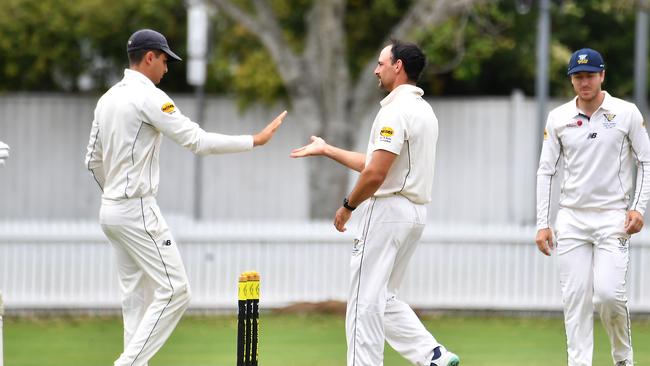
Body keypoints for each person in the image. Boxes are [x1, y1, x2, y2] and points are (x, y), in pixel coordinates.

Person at [84, 29, 286, 366]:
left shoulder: (107, 99)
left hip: (111, 211)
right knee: (176, 291)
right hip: (137, 209)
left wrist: (115, 194)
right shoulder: (148, 97)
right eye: (164, 60)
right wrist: (255, 139)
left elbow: (91, 161)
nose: (166, 69)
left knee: (136, 299)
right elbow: (199, 142)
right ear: (149, 57)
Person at [291, 40, 459, 366]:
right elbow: (375, 162)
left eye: (381, 63)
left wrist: (347, 206)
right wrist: (327, 149)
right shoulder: (423, 110)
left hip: (387, 211)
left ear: (398, 66)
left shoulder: (395, 110)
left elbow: (376, 174)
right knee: (383, 297)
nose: (375, 70)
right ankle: (433, 356)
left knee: (362, 302)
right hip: (413, 214)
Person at [535, 48, 650, 366]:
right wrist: (542, 223)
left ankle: (623, 358)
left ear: (602, 75)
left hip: (613, 217)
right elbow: (546, 170)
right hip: (571, 218)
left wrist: (639, 208)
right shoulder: (558, 117)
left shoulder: (625, 113)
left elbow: (646, 160)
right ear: (572, 79)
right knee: (575, 301)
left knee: (610, 296)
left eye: (589, 75)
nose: (584, 82)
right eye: (578, 76)